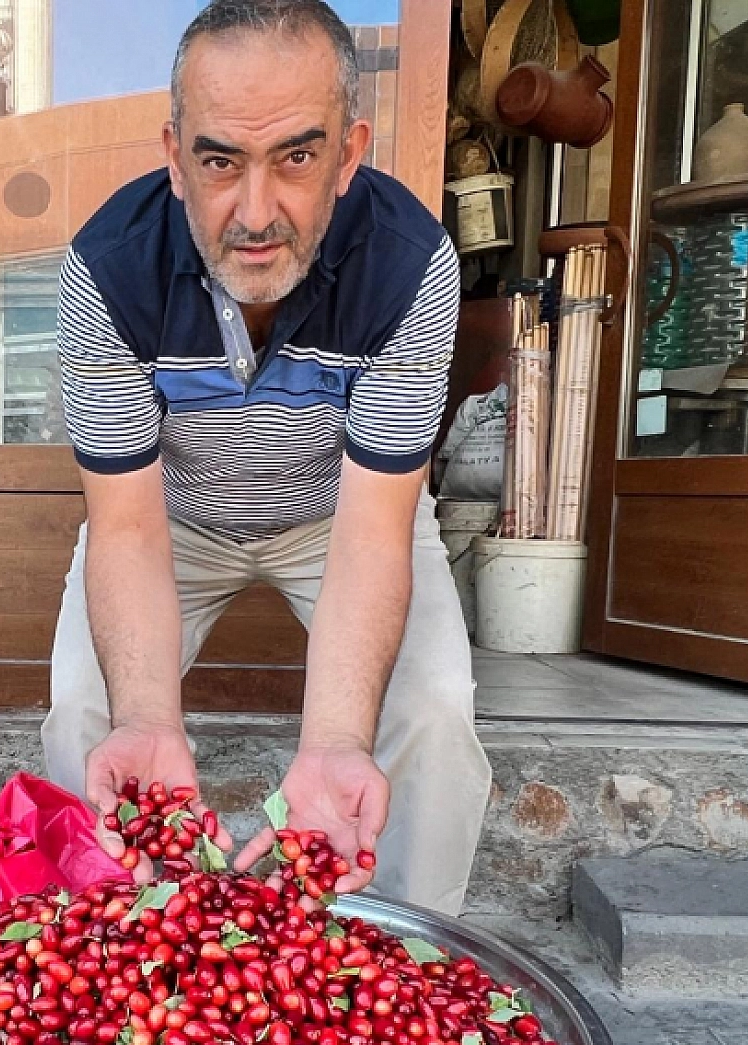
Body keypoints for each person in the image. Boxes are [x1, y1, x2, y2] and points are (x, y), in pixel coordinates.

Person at [39, 0, 492, 916]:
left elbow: (374, 535)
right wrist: (147, 720)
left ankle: (404, 955)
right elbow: (124, 527)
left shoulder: (411, 266)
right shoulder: (108, 270)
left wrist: (331, 741)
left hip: (338, 519)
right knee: (89, 716)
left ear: (349, 151)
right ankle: (114, 945)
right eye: (218, 161)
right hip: (175, 522)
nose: (255, 213)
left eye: (295, 156)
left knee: (436, 711)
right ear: (173, 156)